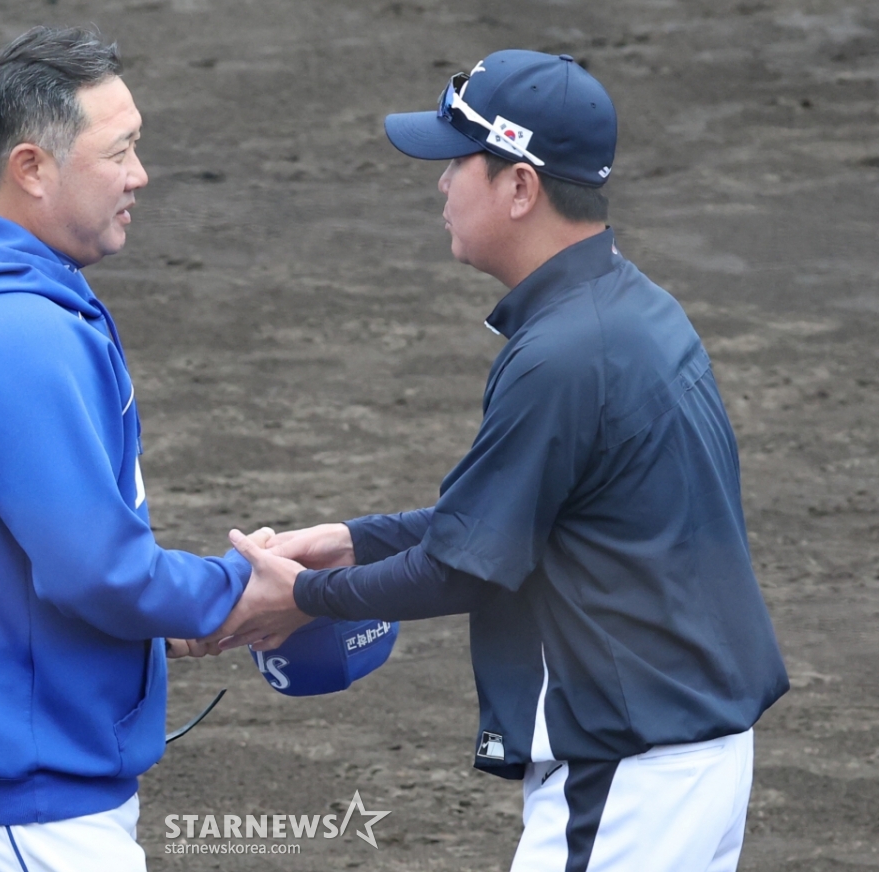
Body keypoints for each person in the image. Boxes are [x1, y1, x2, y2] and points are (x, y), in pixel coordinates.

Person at [198, 50, 789, 872]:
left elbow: (462, 567)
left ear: (519, 187)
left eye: (457, 162)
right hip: (684, 748)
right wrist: (350, 541)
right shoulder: (629, 310)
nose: (442, 184)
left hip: (627, 774)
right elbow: (531, 518)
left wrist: (303, 596)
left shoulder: (565, 356)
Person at [0, 26, 265, 871]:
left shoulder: (6, 296)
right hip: (25, 791)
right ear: (32, 168)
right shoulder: (17, 331)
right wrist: (240, 591)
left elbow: (27, 552)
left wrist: (168, 622)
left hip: (18, 759)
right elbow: (98, 573)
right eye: (118, 152)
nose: (139, 174)